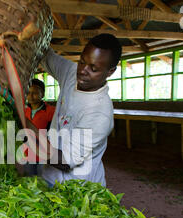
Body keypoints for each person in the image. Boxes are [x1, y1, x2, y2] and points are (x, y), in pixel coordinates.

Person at [25, 33, 122, 187]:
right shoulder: (72, 73)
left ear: (110, 72)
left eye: (93, 68)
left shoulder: (99, 113)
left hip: (77, 188)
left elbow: (65, 161)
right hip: (49, 176)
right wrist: (35, 34)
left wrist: (25, 129)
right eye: (82, 62)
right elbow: (45, 54)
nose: (83, 71)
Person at [19, 79, 55, 176]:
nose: (30, 96)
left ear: (42, 94)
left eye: (35, 93)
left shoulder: (50, 111)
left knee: (43, 182)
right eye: (29, 93)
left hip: (43, 156)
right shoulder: (24, 111)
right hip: (27, 154)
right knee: (29, 182)